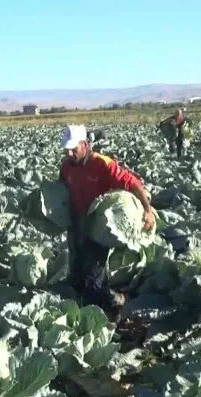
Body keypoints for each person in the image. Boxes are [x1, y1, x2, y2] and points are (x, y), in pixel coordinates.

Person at [58, 124, 156, 316]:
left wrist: (147, 210)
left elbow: (133, 183)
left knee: (93, 275)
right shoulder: (66, 167)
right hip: (76, 224)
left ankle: (108, 307)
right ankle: (83, 301)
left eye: (73, 148)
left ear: (85, 144)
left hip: (98, 226)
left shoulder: (102, 163)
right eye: (66, 149)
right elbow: (60, 191)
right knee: (76, 269)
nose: (69, 153)